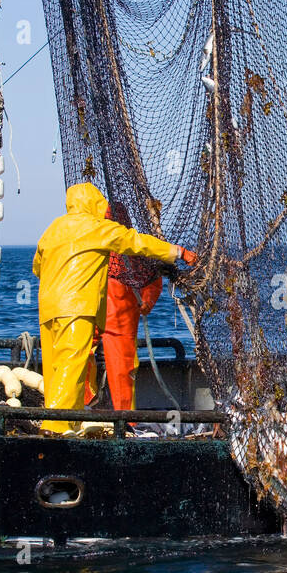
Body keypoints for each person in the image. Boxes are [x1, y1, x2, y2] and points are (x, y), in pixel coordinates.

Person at [33, 183, 196, 434]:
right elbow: (138, 243)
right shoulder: (97, 228)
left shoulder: (52, 229)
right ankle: (55, 427)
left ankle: (71, 421)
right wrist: (178, 252)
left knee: (56, 367)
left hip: (48, 308)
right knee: (71, 364)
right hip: (78, 309)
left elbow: (37, 267)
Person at [85, 202, 166, 412]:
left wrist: (147, 300)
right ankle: (97, 408)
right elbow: (153, 277)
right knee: (101, 362)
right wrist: (147, 300)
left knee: (113, 366)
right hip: (103, 317)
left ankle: (102, 413)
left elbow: (152, 279)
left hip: (112, 319)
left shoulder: (97, 243)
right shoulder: (133, 246)